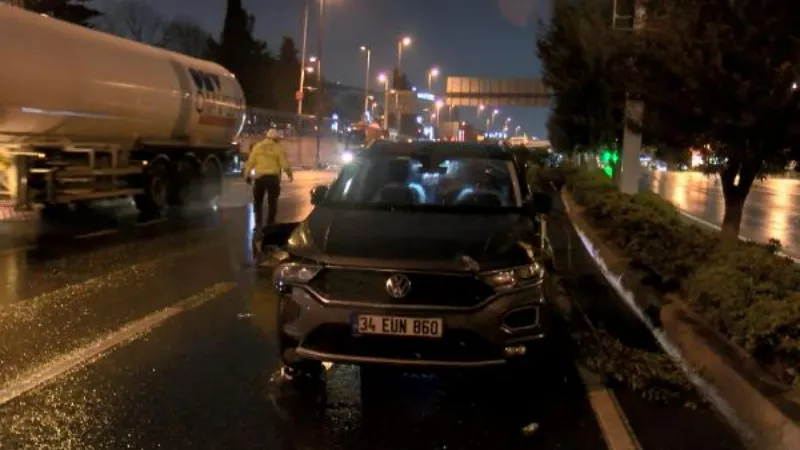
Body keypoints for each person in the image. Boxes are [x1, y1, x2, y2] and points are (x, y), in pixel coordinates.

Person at [245, 128, 293, 234]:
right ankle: (270, 224)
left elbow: (250, 162)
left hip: (260, 179)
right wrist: (290, 174)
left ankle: (258, 225)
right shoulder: (278, 148)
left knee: (258, 202)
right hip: (273, 179)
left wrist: (247, 175)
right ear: (276, 139)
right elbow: (284, 164)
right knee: (272, 203)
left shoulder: (257, 147)